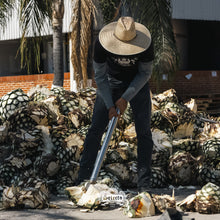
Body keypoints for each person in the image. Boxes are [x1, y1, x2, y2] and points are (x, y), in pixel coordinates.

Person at [77, 16, 154, 192]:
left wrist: (125, 98)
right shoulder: (100, 44)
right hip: (110, 84)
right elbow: (100, 77)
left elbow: (144, 74)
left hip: (137, 85)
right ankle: (83, 178)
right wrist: (110, 104)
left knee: (144, 133)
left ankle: (144, 185)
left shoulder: (147, 45)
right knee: (95, 129)